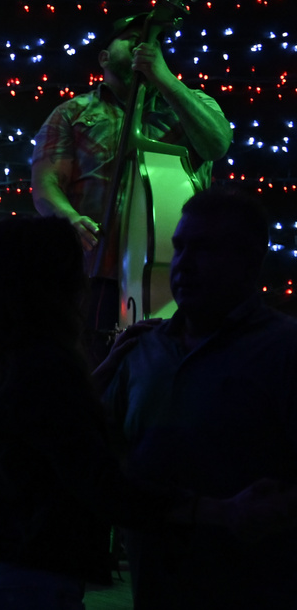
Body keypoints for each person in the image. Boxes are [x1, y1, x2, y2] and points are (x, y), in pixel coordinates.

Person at [0, 215, 282, 610]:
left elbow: (40, 424)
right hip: (24, 585)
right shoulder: (45, 366)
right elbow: (102, 486)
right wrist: (220, 510)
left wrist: (102, 372)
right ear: (53, 284)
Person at [101, 188, 297, 609]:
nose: (183, 263)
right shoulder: (141, 349)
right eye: (180, 247)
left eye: (205, 249)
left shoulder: (285, 348)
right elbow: (100, 453)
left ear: (250, 262)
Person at [31, 13, 233, 362]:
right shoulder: (71, 112)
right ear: (104, 57)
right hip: (91, 272)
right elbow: (45, 184)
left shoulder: (192, 103)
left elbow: (217, 145)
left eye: (153, 39)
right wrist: (69, 218)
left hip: (176, 277)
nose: (144, 43)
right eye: (131, 38)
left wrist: (164, 78)